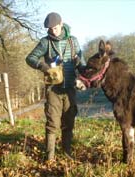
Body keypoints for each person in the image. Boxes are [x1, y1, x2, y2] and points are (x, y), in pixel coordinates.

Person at [25, 12, 86, 161]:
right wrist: (43, 66)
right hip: (53, 89)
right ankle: (50, 157)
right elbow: (30, 58)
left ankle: (67, 153)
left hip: (70, 88)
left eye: (55, 27)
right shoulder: (45, 42)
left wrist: (80, 64)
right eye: (50, 28)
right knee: (52, 122)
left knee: (69, 121)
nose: (53, 30)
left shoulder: (73, 41)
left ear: (61, 23)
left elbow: (82, 66)